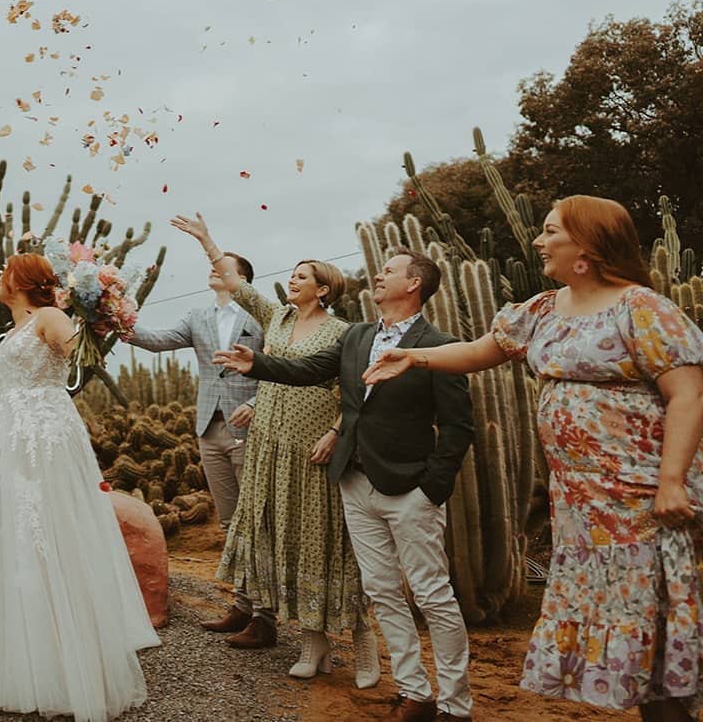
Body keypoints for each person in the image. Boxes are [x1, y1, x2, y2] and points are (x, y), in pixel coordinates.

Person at [363, 196, 703, 722]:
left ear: (586, 248)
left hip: (639, 500)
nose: (539, 242)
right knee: (629, 637)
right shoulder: (544, 307)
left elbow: (688, 393)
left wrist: (673, 481)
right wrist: (416, 355)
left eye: (550, 232)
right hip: (582, 508)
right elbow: (482, 350)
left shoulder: (642, 308)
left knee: (653, 632)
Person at [219, 247, 474, 722]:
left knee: (432, 596)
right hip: (354, 484)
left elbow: (459, 428)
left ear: (414, 284)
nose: (378, 275)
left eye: (390, 271)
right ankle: (415, 694)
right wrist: (257, 364)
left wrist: (430, 489)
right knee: (382, 594)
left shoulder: (439, 346)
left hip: (410, 491)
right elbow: (310, 370)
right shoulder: (357, 337)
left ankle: (457, 706)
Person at [170, 215, 376, 686]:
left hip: (313, 450)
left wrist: (339, 431)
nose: (292, 280)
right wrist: (206, 240)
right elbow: (233, 281)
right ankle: (313, 643)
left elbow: (355, 389)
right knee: (285, 541)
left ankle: (364, 644)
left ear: (323, 289)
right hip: (270, 447)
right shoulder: (276, 317)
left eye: (302, 276)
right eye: (292, 275)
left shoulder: (343, 332)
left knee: (326, 546)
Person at [0, 253, 160, 722]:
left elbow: (78, 355)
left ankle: (75, 661)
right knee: (18, 537)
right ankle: (31, 661)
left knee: (53, 530)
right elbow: (9, 387)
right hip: (11, 435)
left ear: (24, 281)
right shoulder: (10, 331)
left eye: (5, 270)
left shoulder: (51, 316)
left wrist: (95, 315)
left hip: (45, 437)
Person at [122, 250, 265, 622]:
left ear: (242, 279)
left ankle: (264, 613)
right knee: (229, 520)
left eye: (225, 266)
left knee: (254, 520)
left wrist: (259, 404)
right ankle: (242, 606)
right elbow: (157, 340)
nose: (214, 269)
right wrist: (114, 318)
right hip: (209, 428)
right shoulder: (197, 316)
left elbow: (279, 370)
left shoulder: (260, 317)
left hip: (249, 427)